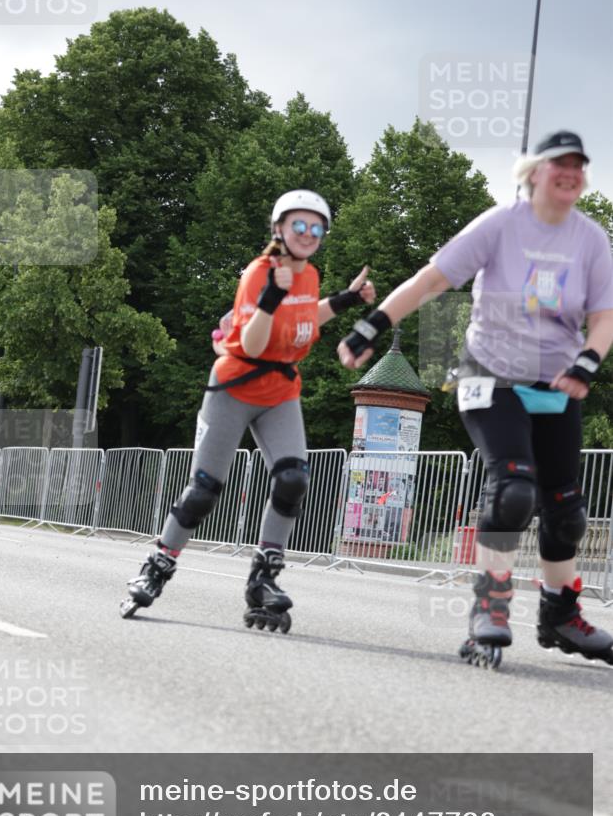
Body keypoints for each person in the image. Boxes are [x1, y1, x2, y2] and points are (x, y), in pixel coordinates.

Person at [337, 131, 613, 666]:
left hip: (555, 383)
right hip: (490, 377)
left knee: (566, 510)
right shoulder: (500, 224)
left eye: (579, 164)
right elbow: (431, 280)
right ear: (533, 172)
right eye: (559, 163)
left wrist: (588, 360)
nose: (570, 172)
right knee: (512, 489)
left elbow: (604, 316)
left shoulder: (591, 240)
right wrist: (373, 324)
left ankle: (561, 617)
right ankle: (490, 607)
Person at [120, 189, 375, 630]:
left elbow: (303, 317)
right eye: (299, 225)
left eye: (316, 228)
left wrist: (346, 299)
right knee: (204, 491)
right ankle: (157, 566)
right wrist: (272, 297)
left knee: (294, 478)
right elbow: (255, 341)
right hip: (235, 384)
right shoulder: (259, 274)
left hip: (279, 388)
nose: (308, 234)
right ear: (279, 229)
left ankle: (263, 580)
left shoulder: (309, 274)